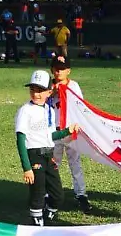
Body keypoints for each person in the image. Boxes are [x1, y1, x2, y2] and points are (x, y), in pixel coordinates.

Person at [17, 70, 78, 226]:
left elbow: (50, 136)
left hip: (49, 155)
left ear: (49, 92)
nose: (36, 94)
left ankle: (48, 216)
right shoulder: (25, 111)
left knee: (58, 195)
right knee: (37, 193)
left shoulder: (49, 110)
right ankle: (37, 224)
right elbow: (21, 139)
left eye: (40, 90)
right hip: (34, 155)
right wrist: (27, 167)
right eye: (33, 90)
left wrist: (67, 131)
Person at [48, 55, 92, 214]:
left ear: (68, 70)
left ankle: (81, 195)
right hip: (54, 131)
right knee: (53, 164)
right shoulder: (47, 86)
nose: (59, 71)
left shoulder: (73, 85)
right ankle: (49, 194)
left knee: (75, 163)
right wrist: (51, 92)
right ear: (52, 70)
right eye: (56, 68)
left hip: (71, 130)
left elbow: (80, 105)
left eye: (62, 69)